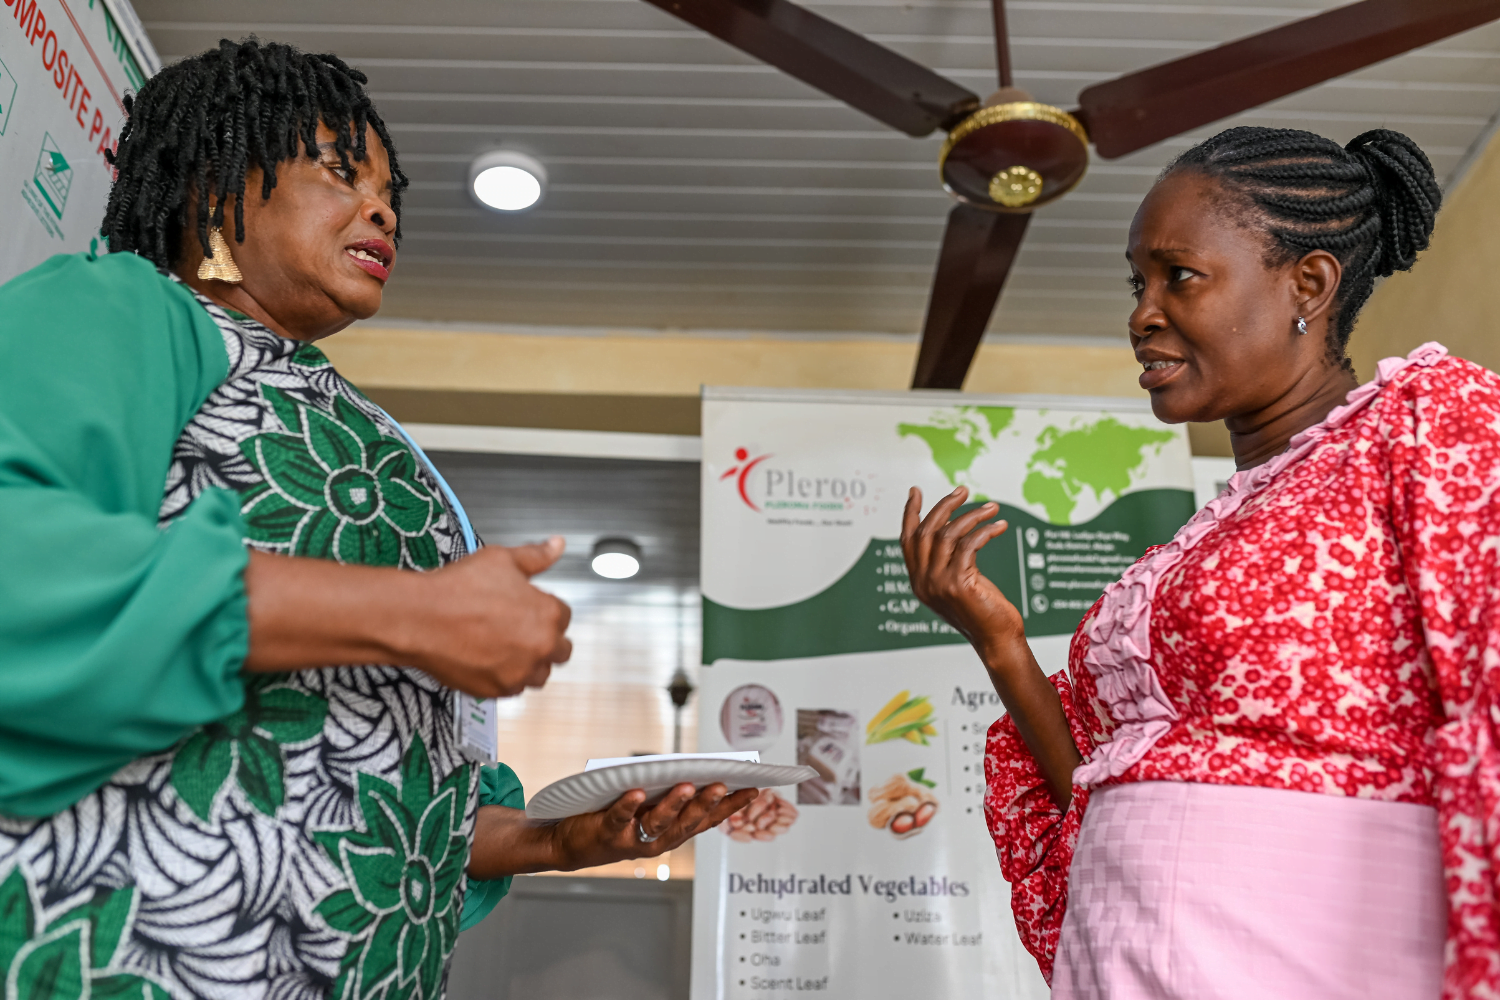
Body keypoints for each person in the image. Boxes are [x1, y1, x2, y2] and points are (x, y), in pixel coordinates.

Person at [0, 39, 754, 1000]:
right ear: (214, 185)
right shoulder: (123, 310)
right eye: (338, 172)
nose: (383, 207)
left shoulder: (347, 416)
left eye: (389, 186)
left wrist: (558, 840)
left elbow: (358, 770)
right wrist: (412, 613)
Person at [901, 126, 1500, 999]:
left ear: (1310, 283)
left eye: (1178, 275)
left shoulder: (1426, 428)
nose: (1141, 312)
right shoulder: (1197, 540)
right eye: (1136, 283)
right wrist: (999, 641)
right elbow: (1098, 797)